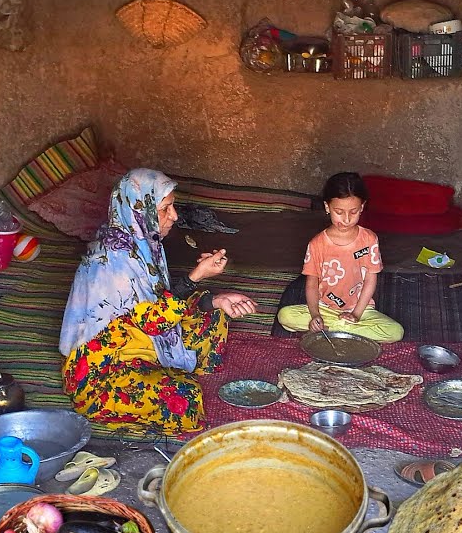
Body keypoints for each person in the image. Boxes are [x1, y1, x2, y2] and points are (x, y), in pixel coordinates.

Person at [58, 169, 257, 434]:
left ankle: (175, 364)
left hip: (145, 338)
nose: (174, 216)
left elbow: (157, 298)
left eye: (172, 206)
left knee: (215, 312)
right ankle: (167, 381)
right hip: (105, 371)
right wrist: (196, 276)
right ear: (140, 210)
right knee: (183, 397)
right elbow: (154, 321)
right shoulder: (110, 263)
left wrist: (214, 301)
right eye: (165, 209)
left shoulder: (142, 243)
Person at [277, 172, 404, 343]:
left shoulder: (369, 239)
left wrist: (356, 314)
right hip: (324, 308)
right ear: (327, 207)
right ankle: (346, 331)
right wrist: (315, 315)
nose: (346, 219)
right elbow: (312, 284)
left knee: (395, 332)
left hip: (361, 309)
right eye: (339, 212)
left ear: (362, 207)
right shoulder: (317, 244)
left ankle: (333, 330)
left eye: (353, 212)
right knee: (285, 316)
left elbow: (370, 280)